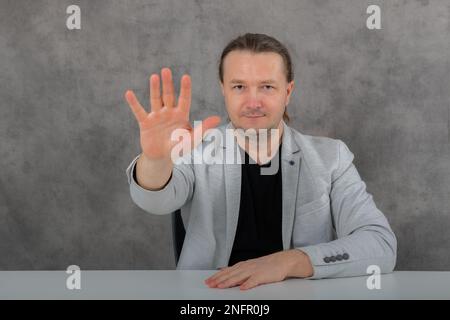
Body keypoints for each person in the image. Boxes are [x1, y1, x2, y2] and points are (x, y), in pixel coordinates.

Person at [124, 33, 397, 290]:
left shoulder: (331, 157)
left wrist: (288, 261)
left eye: (267, 86)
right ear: (223, 90)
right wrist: (156, 159)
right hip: (208, 299)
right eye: (239, 86)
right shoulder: (194, 149)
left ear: (288, 91)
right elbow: (155, 201)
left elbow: (380, 244)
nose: (253, 102)